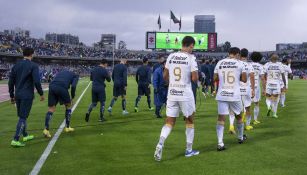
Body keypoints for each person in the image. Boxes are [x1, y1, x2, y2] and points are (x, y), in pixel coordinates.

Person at [154, 36, 199, 161]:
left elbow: (164, 76)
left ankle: (160, 143)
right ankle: (189, 150)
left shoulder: (171, 56)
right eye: (192, 47)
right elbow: (195, 78)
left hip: (172, 93)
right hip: (185, 93)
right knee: (190, 120)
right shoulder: (191, 58)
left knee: (169, 122)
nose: (192, 49)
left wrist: (172, 83)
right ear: (190, 45)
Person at [9, 47, 45, 147]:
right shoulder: (33, 65)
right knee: (23, 117)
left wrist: (12, 96)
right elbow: (37, 81)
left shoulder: (16, 65)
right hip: (27, 95)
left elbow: (10, 82)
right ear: (32, 54)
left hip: (18, 95)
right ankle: (15, 139)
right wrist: (41, 94)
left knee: (21, 116)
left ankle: (25, 135)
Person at [214, 47, 247, 151]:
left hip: (222, 93)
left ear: (229, 54)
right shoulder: (240, 63)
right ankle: (240, 137)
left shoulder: (220, 62)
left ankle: (220, 143)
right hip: (234, 94)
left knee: (221, 118)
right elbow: (245, 79)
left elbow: (215, 78)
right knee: (239, 116)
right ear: (238, 54)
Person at [43, 70, 79, 138]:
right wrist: (72, 97)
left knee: (51, 108)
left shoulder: (62, 72)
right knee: (68, 106)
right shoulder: (75, 76)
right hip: (62, 87)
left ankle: (46, 129)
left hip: (52, 86)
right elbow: (73, 86)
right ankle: (67, 127)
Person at [229, 48, 255, 132]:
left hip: (236, 88)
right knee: (247, 107)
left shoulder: (236, 63)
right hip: (246, 88)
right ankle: (247, 125)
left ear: (239, 55)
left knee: (233, 108)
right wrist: (253, 89)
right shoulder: (249, 65)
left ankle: (231, 125)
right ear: (247, 55)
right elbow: (252, 77)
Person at [263, 54, 286, 118]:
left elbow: (264, 75)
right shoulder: (280, 65)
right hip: (276, 84)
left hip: (269, 84)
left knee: (268, 98)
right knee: (275, 100)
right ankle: (274, 114)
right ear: (277, 59)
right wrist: (284, 85)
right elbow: (283, 76)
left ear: (270, 58)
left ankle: (269, 107)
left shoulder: (267, 64)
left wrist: (265, 80)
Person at [250, 52, 266, 124]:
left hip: (248, 86)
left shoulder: (248, 65)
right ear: (260, 58)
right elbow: (262, 78)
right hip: (256, 87)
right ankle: (255, 119)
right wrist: (264, 89)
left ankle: (246, 120)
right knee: (256, 103)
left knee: (247, 104)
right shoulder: (261, 66)